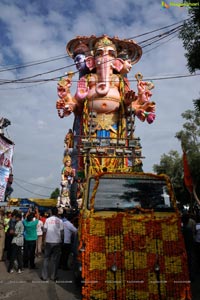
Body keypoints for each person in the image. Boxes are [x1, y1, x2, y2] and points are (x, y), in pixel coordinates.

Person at [40, 207, 64, 281]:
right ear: (57, 213)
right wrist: (62, 240)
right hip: (57, 242)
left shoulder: (47, 220)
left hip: (48, 242)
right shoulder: (60, 221)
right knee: (55, 260)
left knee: (46, 259)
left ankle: (44, 276)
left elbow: (44, 231)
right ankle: (53, 276)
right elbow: (62, 233)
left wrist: (43, 241)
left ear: (51, 212)